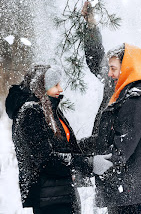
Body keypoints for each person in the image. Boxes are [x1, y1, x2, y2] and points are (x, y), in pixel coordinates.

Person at [80, 2, 141, 214]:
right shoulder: (119, 91)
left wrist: (84, 165)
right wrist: (92, 28)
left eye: (113, 69)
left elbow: (119, 152)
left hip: (127, 191)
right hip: (122, 189)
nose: (109, 73)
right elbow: (95, 60)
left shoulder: (133, 103)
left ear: (127, 69)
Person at [5, 65, 92, 214]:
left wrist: (96, 142)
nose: (60, 89)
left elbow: (66, 149)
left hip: (63, 194)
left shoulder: (50, 110)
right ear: (41, 86)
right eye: (55, 85)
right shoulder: (31, 113)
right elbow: (46, 160)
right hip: (50, 200)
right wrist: (89, 164)